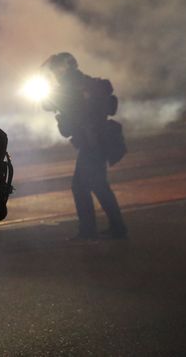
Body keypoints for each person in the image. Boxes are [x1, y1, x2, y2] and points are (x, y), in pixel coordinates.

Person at [41, 52, 127, 240]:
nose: (54, 73)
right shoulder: (85, 82)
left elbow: (48, 105)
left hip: (92, 142)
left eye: (55, 69)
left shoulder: (68, 87)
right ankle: (117, 227)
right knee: (98, 185)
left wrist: (48, 90)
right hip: (99, 139)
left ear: (63, 68)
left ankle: (89, 231)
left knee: (80, 186)